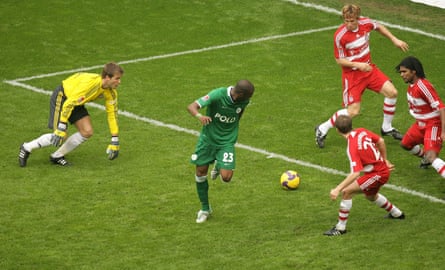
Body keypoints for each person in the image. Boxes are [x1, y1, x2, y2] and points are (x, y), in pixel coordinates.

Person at [315, 4, 409, 148]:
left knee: (392, 93)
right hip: (352, 75)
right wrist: (358, 65)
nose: (349, 24)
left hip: (369, 70)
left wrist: (394, 39)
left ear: (358, 19)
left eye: (352, 21)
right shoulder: (339, 36)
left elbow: (379, 27)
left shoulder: (366, 23)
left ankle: (387, 127)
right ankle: (322, 128)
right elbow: (339, 60)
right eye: (346, 21)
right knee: (353, 111)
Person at [18, 62, 124, 167]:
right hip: (63, 97)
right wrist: (62, 126)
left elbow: (112, 115)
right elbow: (68, 104)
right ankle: (27, 147)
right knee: (61, 135)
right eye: (117, 78)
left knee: (87, 132)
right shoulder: (89, 86)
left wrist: (115, 139)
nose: (119, 82)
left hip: (76, 101)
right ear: (107, 77)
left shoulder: (111, 93)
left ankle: (57, 156)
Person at [324, 115, 404, 236]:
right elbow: (381, 141)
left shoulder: (352, 147)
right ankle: (397, 213)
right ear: (351, 126)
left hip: (377, 174)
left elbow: (356, 173)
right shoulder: (361, 131)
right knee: (371, 196)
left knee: (347, 192)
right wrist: (385, 160)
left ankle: (340, 228)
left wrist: (337, 189)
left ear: (337, 130)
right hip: (379, 171)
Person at [188, 79, 255, 223]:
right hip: (208, 140)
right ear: (240, 94)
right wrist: (200, 117)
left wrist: (231, 132)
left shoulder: (244, 101)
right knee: (200, 173)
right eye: (248, 96)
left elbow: (238, 115)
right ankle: (205, 209)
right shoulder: (217, 94)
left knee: (226, 177)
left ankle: (219, 163)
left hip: (226, 142)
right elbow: (192, 106)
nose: (249, 99)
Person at [396, 56, 445, 175]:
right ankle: (427, 158)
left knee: (432, 156)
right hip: (420, 124)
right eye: (401, 72)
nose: (402, 75)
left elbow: (442, 108)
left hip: (433, 124)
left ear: (414, 71)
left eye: (404, 72)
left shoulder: (423, 86)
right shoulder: (412, 86)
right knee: (405, 144)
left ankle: (430, 158)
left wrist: (443, 131)